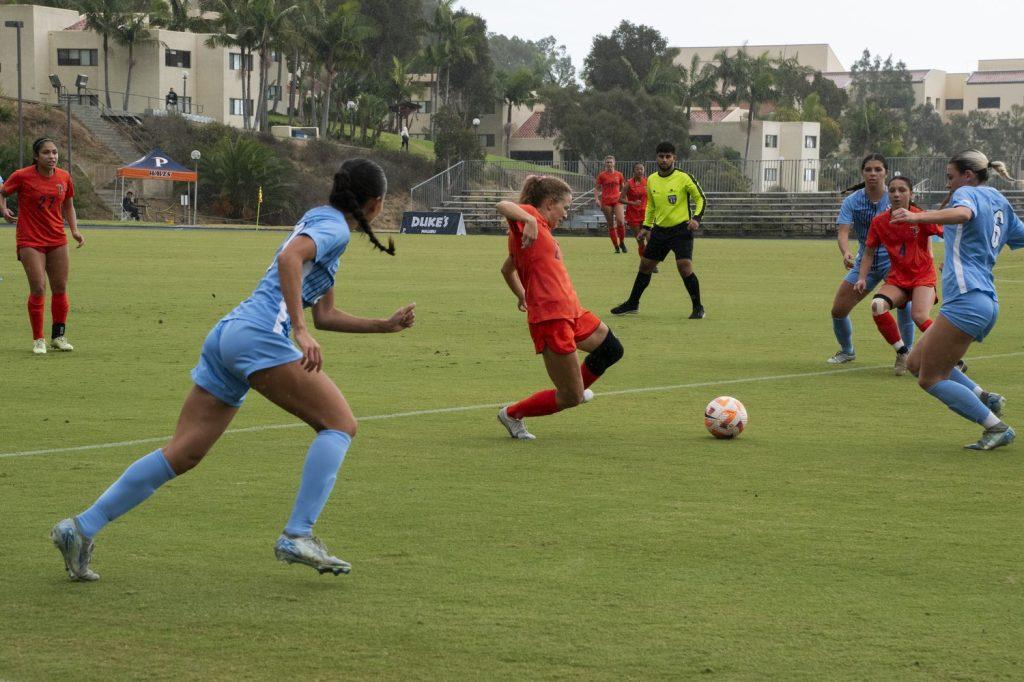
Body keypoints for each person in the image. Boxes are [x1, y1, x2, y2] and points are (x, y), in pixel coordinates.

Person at [49, 158, 417, 581]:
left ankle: (80, 528)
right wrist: (297, 330)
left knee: (182, 453)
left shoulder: (321, 221)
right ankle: (298, 534)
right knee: (340, 425)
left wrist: (383, 326)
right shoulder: (333, 229)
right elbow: (290, 260)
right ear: (375, 204)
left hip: (230, 335)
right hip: (259, 335)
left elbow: (325, 315)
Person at [897, 150, 1024, 451]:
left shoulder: (967, 193)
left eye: (950, 177)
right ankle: (985, 397)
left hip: (967, 301)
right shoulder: (999, 201)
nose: (949, 185)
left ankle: (996, 426)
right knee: (916, 362)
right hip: (982, 300)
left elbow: (964, 214)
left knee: (929, 379)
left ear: (968, 175)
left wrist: (916, 215)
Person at [496, 175, 624, 440]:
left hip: (573, 311)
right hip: (551, 318)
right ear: (550, 203)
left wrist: (522, 295)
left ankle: (575, 387)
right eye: (565, 207)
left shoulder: (541, 231)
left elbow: (507, 269)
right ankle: (512, 414)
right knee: (570, 398)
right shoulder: (530, 218)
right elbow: (502, 205)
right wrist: (529, 219)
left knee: (612, 349)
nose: (566, 214)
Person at [827, 153, 915, 364]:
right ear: (863, 173)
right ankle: (847, 351)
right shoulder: (853, 201)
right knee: (838, 310)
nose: (873, 174)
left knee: (904, 305)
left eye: (878, 169)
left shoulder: (895, 197)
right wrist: (846, 252)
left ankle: (907, 353)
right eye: (868, 169)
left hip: (893, 262)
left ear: (885, 173)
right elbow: (843, 231)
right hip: (865, 262)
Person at [1, 137, 84, 354]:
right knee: (38, 287)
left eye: (55, 152)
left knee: (60, 287)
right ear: (36, 156)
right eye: (46, 153)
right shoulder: (22, 176)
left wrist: (74, 230)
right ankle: (39, 339)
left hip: (57, 238)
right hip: (30, 240)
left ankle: (58, 336)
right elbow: (2, 192)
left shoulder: (64, 176)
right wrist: (4, 210)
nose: (52, 156)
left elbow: (68, 204)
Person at [854, 176, 942, 375]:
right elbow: (868, 252)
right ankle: (903, 352)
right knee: (877, 306)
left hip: (922, 276)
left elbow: (949, 235)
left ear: (911, 194)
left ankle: (950, 356)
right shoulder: (880, 222)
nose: (896, 194)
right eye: (892, 190)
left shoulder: (921, 217)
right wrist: (861, 277)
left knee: (918, 315)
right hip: (898, 278)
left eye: (902, 190)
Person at [611, 141, 707, 319]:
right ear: (656, 158)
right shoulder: (652, 179)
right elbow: (651, 206)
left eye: (668, 156)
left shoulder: (684, 177)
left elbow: (701, 198)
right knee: (645, 266)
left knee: (684, 267)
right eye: (661, 156)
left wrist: (696, 218)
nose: (664, 160)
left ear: (674, 158)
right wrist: (647, 227)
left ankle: (698, 307)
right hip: (660, 231)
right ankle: (633, 304)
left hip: (681, 230)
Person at [595, 156, 627, 253]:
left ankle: (621, 242)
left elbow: (623, 188)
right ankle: (616, 246)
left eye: (610, 162)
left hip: (617, 200)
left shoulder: (619, 174)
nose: (609, 164)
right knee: (610, 224)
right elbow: (596, 188)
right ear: (605, 163)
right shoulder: (602, 175)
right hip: (606, 202)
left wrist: (626, 198)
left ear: (614, 163)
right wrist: (597, 199)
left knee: (621, 221)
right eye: (607, 162)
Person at [623, 162, 649, 261]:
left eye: (641, 169)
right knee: (640, 240)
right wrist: (632, 203)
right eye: (637, 169)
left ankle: (649, 261)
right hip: (633, 215)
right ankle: (644, 261)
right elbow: (620, 199)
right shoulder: (628, 184)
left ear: (644, 171)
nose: (639, 171)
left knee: (650, 240)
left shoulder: (647, 182)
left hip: (646, 214)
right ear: (633, 171)